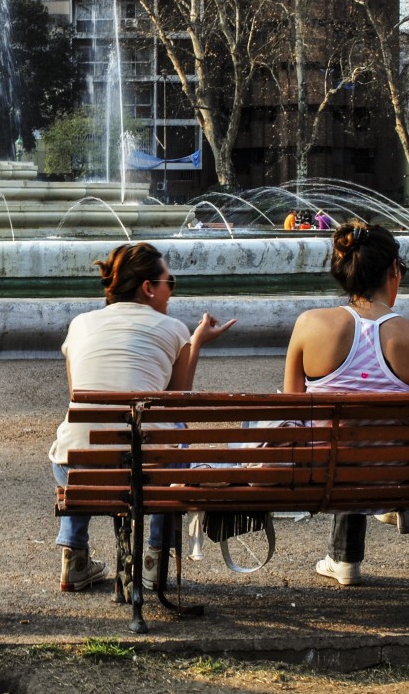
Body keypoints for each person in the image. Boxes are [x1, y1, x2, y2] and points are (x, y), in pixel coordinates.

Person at [50, 242, 236, 592]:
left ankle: (74, 558)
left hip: (79, 469)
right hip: (147, 473)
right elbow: (178, 403)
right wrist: (195, 342)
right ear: (149, 288)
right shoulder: (174, 328)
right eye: (170, 284)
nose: (171, 294)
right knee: (171, 437)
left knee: (83, 435)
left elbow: (80, 398)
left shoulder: (80, 325)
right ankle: (153, 560)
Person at [283, 221, 409, 586]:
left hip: (320, 475)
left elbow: (291, 412)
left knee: (345, 441)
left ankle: (344, 560)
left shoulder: (309, 324)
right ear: (394, 271)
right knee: (378, 443)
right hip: (395, 482)